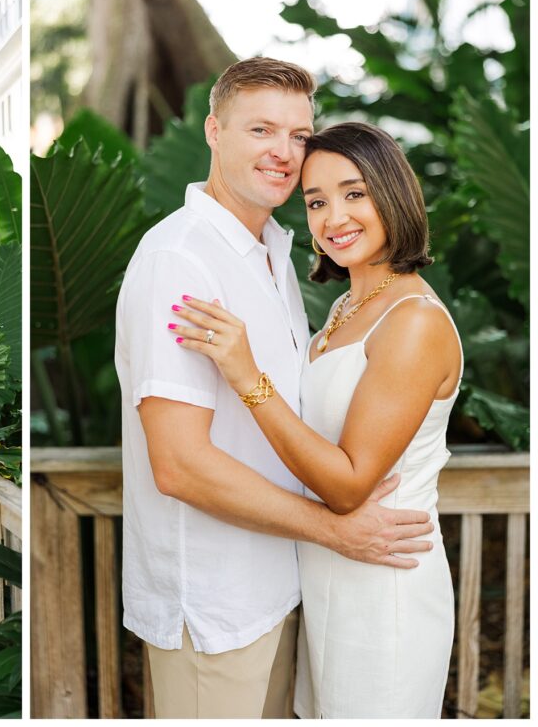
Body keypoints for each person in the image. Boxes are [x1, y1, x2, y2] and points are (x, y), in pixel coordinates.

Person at [114, 57, 435, 719]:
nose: (284, 153)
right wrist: (335, 529)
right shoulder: (181, 260)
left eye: (298, 135)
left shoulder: (275, 253)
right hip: (214, 608)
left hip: (281, 588)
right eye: (262, 130)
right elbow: (177, 465)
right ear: (214, 130)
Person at [171, 121, 459, 718]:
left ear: (393, 195)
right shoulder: (345, 308)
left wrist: (246, 375)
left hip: (387, 588)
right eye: (316, 201)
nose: (334, 218)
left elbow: (349, 484)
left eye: (355, 194)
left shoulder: (413, 321)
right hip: (329, 578)